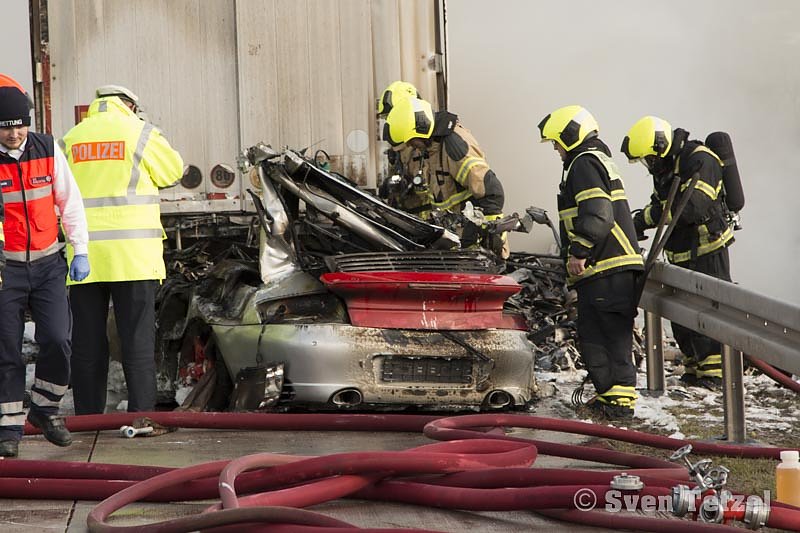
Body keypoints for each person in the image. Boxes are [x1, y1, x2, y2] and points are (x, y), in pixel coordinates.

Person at [61, 85, 183, 415]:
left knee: (87, 344)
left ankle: (88, 420)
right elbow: (173, 172)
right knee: (137, 343)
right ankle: (142, 417)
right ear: (129, 105)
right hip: (133, 257)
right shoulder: (141, 133)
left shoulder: (71, 138)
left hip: (84, 258)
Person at [0, 74, 90, 458]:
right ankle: (8, 427)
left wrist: (80, 249)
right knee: (6, 349)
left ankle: (46, 407)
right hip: (6, 270)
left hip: (48, 263)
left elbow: (69, 203)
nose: (14, 134)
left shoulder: (48, 149)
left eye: (19, 125)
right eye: (5, 128)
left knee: (58, 338)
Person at [538, 105, 644, 420]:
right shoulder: (591, 161)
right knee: (598, 335)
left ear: (570, 136)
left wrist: (579, 250)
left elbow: (598, 213)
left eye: (557, 142)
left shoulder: (584, 164)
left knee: (609, 336)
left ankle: (620, 405)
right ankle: (611, 399)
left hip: (606, 266)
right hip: (607, 269)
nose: (556, 149)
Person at [621, 116, 734, 389]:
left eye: (649, 158)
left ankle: (715, 378)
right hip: (680, 253)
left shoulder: (700, 160)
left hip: (707, 252)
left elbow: (690, 207)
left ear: (660, 144)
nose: (649, 165)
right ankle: (695, 370)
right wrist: (636, 221)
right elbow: (660, 203)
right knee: (684, 319)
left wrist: (651, 218)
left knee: (708, 316)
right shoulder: (668, 166)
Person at [382, 96, 508, 257]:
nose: (411, 146)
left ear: (422, 128)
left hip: (478, 248)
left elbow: (492, 193)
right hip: (456, 241)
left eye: (412, 141)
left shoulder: (453, 146)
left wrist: (475, 236)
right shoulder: (432, 148)